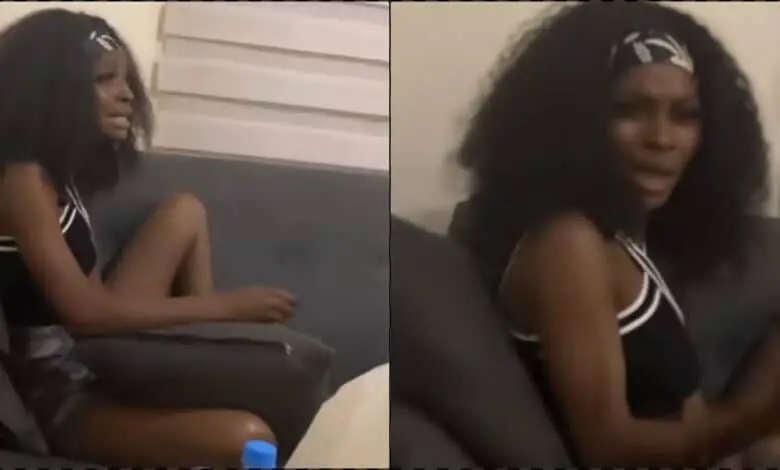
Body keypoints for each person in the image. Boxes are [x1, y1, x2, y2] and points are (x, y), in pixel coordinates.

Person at [455, 2, 780, 467]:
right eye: (629, 110)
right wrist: (755, 419)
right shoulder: (566, 243)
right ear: (572, 121)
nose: (662, 139)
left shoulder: (620, 238)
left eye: (685, 115)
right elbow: (609, 449)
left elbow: (691, 423)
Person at [0, 9, 297, 467]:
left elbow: (94, 300)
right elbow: (84, 313)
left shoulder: (61, 175)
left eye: (126, 80)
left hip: (86, 356)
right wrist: (228, 306)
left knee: (184, 211)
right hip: (49, 395)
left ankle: (212, 363)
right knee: (247, 438)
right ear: (53, 91)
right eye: (104, 79)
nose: (127, 94)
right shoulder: (21, 179)